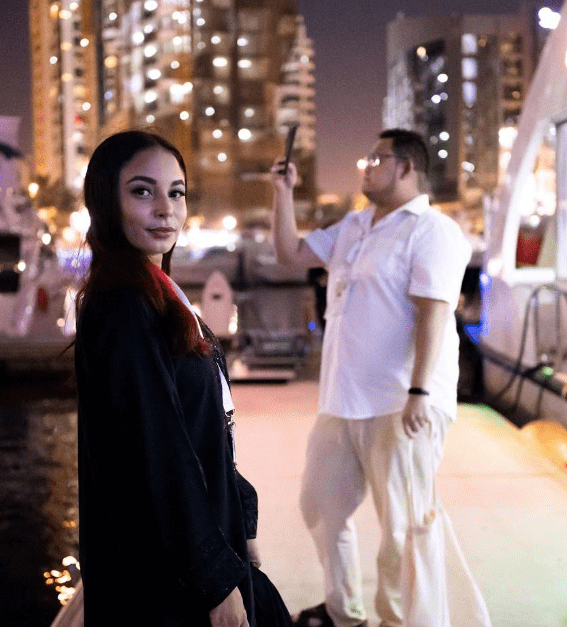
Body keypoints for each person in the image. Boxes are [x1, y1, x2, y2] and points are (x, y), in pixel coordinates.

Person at [74, 130, 291, 627]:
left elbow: (201, 426)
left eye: (176, 193)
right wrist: (214, 578)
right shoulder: (123, 307)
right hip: (164, 573)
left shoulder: (158, 293)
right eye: (142, 191)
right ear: (106, 201)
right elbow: (157, 450)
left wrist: (241, 512)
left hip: (197, 537)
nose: (165, 209)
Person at [270, 129, 479, 627]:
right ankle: (346, 613)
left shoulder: (432, 231)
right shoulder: (355, 225)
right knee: (320, 505)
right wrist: (281, 192)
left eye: (376, 158)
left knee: (403, 528)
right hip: (342, 400)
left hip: (399, 400)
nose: (364, 166)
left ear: (406, 167)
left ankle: (403, 619)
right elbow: (289, 254)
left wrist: (420, 392)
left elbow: (434, 314)